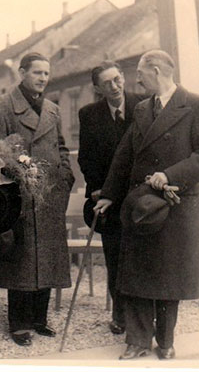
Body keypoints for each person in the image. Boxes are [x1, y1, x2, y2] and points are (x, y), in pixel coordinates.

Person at [95, 49, 199, 360]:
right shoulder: (141, 109)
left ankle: (165, 341)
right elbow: (124, 155)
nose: (136, 80)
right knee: (138, 273)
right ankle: (137, 341)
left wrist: (170, 175)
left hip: (176, 203)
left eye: (140, 73)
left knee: (168, 275)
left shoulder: (197, 105)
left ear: (156, 71)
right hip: (141, 204)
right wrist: (109, 193)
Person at [0, 52, 74, 347]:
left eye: (46, 74)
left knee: (46, 256)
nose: (43, 79)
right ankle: (18, 323)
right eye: (37, 73)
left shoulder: (52, 109)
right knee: (21, 256)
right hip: (18, 194)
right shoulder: (1, 107)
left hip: (49, 194)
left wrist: (65, 175)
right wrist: (16, 177)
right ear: (21, 73)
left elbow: (61, 145)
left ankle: (39, 318)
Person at [78, 61, 146, 335]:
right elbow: (86, 158)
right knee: (115, 256)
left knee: (141, 257)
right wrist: (98, 188)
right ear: (98, 88)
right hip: (108, 200)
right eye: (107, 83)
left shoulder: (144, 105)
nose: (115, 86)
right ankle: (120, 315)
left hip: (140, 197)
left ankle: (143, 315)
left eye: (117, 79)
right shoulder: (89, 114)